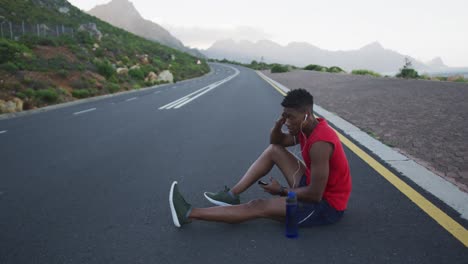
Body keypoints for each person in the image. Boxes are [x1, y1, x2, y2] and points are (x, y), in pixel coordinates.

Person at [169, 88, 352, 228]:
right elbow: (277, 142)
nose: (287, 122)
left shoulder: (321, 143)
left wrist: (281, 190)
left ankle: (189, 214)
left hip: (324, 206)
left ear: (306, 115)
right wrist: (277, 126)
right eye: (284, 116)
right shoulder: (307, 127)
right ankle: (232, 195)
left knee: (257, 206)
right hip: (311, 186)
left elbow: (315, 194)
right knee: (274, 150)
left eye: (291, 117)